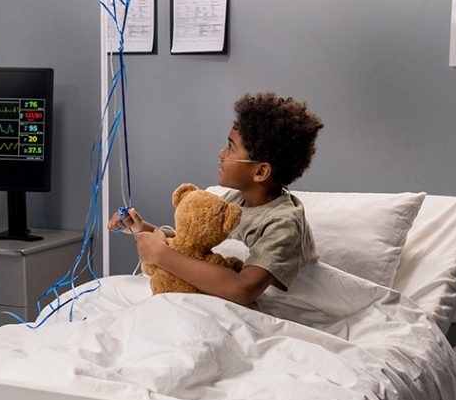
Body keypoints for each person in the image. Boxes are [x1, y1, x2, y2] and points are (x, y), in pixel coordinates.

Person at [111, 93, 325, 305]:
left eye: (231, 147)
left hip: (277, 309)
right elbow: (194, 250)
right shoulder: (235, 200)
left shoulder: (283, 223)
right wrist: (142, 229)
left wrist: (160, 255)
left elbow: (243, 289)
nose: (221, 153)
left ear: (260, 172)